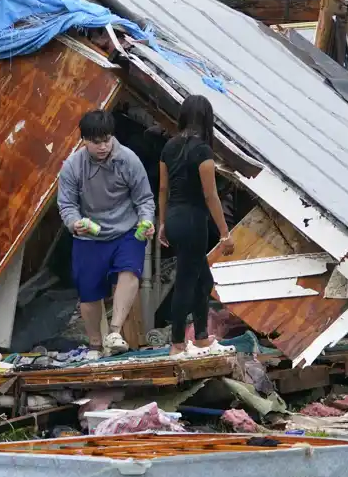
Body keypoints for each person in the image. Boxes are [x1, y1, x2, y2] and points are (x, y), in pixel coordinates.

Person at [58, 110, 156, 357]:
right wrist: (74, 223)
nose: (103, 146)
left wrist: (147, 221)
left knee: (129, 271)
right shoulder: (72, 166)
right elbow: (67, 204)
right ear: (84, 141)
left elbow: (144, 198)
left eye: (107, 140)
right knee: (88, 291)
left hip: (127, 229)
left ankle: (114, 332)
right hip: (89, 233)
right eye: (96, 142)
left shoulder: (129, 160)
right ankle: (94, 344)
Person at [157, 95, 236, 359]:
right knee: (186, 281)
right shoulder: (202, 150)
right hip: (193, 220)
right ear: (206, 119)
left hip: (175, 218)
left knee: (204, 279)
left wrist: (162, 223)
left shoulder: (169, 147)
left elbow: (163, 188)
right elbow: (211, 195)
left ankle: (201, 337)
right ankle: (178, 342)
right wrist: (225, 233)